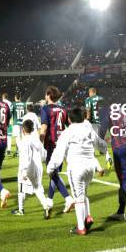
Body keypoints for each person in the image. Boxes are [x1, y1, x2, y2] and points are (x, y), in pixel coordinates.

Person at [47, 107, 107, 235]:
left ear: (69, 119)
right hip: (90, 167)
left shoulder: (68, 132)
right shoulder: (88, 129)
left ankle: (81, 228)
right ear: (83, 117)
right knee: (83, 193)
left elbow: (59, 152)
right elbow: (101, 144)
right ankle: (87, 217)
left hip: (76, 167)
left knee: (78, 197)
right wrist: (106, 151)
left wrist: (50, 167)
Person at [40, 85, 74, 214]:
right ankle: (49, 200)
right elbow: (70, 126)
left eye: (45, 94)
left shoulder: (45, 109)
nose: (44, 96)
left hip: (52, 145)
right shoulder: (63, 109)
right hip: (63, 145)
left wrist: (38, 145)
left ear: (49, 95)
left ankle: (68, 198)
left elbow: (43, 129)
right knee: (54, 175)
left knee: (52, 173)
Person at [12, 119, 52, 218]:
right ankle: (46, 205)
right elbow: (44, 154)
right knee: (37, 188)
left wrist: (25, 171)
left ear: (23, 130)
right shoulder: (36, 139)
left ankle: (21, 210)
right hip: (39, 167)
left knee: (21, 187)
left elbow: (27, 157)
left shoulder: (25, 141)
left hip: (28, 167)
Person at [85, 87, 111, 169]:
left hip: (94, 124)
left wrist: (85, 120)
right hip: (104, 123)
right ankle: (107, 157)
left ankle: (96, 167)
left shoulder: (88, 99)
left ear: (90, 92)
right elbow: (107, 110)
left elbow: (88, 112)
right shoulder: (101, 99)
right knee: (100, 142)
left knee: (90, 144)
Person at [11, 93, 27, 157]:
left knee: (17, 138)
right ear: (20, 98)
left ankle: (20, 152)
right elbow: (25, 113)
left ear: (15, 98)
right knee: (22, 138)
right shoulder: (24, 104)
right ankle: (19, 151)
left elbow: (11, 113)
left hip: (16, 123)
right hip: (22, 123)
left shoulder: (13, 104)